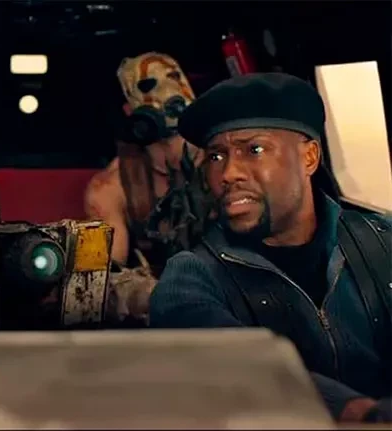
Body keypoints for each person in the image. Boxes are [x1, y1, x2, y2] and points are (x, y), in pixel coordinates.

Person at [149, 73, 391, 424]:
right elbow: (240, 364)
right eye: (216, 156)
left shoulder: (381, 241)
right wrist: (360, 414)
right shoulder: (191, 277)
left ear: (309, 157)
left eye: (254, 150)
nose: (229, 173)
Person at [84, 52, 211, 325]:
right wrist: (145, 294)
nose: (167, 93)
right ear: (129, 110)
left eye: (174, 78)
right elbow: (103, 279)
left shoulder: (225, 163)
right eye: (148, 85)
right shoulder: (112, 186)